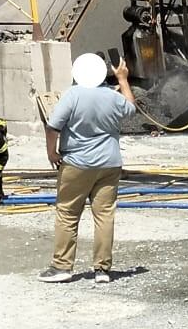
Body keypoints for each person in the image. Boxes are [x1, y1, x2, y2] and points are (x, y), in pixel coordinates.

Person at [41, 52, 136, 283]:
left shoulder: (73, 95)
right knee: (104, 215)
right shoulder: (112, 97)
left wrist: (51, 152)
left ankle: (62, 266)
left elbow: (53, 126)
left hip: (77, 163)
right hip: (110, 164)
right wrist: (123, 79)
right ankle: (102, 270)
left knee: (67, 213)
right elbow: (131, 109)